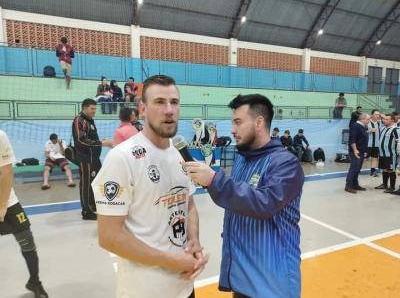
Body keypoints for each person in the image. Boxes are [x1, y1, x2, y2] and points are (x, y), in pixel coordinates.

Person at [92, 75, 207, 298]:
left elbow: (189, 204)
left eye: (174, 102)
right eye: (159, 102)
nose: (169, 110)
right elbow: (109, 236)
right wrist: (171, 261)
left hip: (185, 287)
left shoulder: (179, 152)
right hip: (145, 291)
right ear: (142, 110)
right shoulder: (122, 158)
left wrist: (194, 240)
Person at [185, 94, 304, 298]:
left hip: (272, 284)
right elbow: (237, 204)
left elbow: (264, 203)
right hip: (242, 280)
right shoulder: (242, 159)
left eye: (238, 122)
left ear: (259, 122)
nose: (232, 129)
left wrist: (214, 180)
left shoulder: (285, 163)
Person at [0, 130, 49, 298]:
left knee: (27, 241)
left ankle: (34, 282)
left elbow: (6, 172)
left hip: (7, 200)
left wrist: (2, 206)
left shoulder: (0, 136)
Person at [72, 98, 112, 220]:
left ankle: (93, 205)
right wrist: (101, 143)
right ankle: (86, 211)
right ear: (84, 108)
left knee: (95, 183)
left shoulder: (89, 120)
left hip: (94, 158)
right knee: (86, 184)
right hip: (86, 159)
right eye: (92, 109)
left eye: (95, 108)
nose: (94, 111)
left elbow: (90, 137)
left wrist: (100, 142)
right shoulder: (79, 120)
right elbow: (80, 140)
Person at [345, 114, 370, 194]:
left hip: (361, 151)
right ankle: (348, 185)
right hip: (356, 152)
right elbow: (352, 139)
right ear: (362, 119)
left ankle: (355, 184)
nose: (369, 121)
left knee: (357, 169)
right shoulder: (355, 126)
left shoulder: (362, 127)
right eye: (368, 120)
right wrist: (355, 150)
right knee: (354, 168)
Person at [375, 114, 399, 193]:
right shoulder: (383, 128)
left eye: (386, 119)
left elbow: (399, 142)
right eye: (384, 119)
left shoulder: (395, 129)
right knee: (384, 169)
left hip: (391, 155)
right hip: (382, 154)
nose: (384, 120)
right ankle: (384, 185)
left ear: (392, 120)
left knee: (391, 170)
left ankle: (392, 187)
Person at [367, 109, 382, 177]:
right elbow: (363, 132)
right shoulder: (367, 122)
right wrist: (369, 131)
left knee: (374, 158)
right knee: (363, 158)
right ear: (372, 114)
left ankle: (373, 172)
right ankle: (356, 171)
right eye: (376, 114)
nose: (377, 116)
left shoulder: (379, 123)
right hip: (368, 144)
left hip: (376, 144)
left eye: (378, 114)